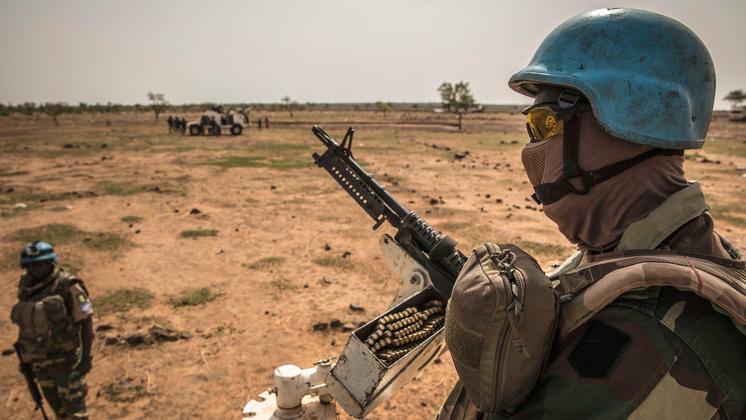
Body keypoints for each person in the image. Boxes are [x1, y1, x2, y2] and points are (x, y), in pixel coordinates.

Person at [439, 8, 746, 419]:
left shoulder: (655, 333)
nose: (531, 150)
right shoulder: (656, 255)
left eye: (546, 124)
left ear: (626, 120)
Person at [11, 242, 94, 419]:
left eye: (40, 263)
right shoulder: (25, 288)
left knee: (76, 414)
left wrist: (86, 358)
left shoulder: (68, 285)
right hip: (40, 363)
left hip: (67, 363)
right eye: (31, 265)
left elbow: (86, 322)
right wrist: (26, 358)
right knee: (59, 412)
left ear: (50, 262)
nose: (35, 268)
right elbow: (26, 326)